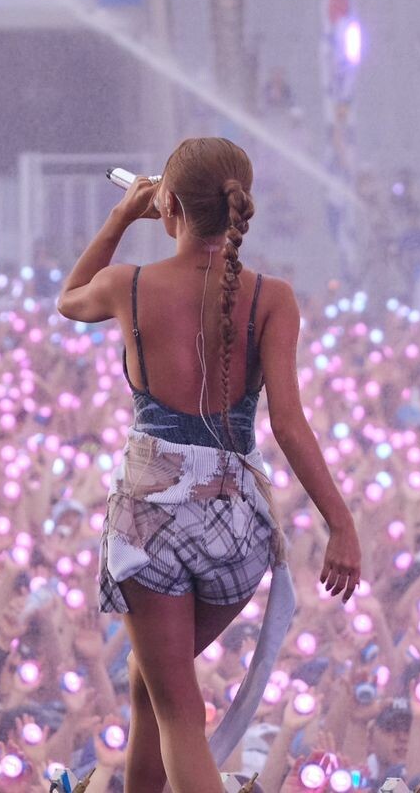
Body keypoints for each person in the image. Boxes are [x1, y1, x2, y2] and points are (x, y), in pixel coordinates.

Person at [57, 137, 361, 793]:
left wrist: (120, 216)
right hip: (235, 527)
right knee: (150, 685)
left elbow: (69, 297)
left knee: (178, 709)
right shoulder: (272, 297)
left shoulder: (129, 284)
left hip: (152, 522)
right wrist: (340, 523)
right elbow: (288, 425)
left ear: (167, 204)